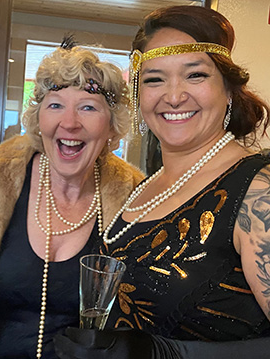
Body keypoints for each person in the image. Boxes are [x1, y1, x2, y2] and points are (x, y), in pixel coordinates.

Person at [54, 6, 270, 358]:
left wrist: (169, 353)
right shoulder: (144, 189)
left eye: (195, 76)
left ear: (228, 90)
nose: (173, 96)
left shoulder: (258, 193)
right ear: (140, 96)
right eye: (154, 79)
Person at [0, 38, 144, 359]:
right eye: (55, 104)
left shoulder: (137, 197)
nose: (70, 122)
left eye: (88, 107)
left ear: (112, 125)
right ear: (38, 118)